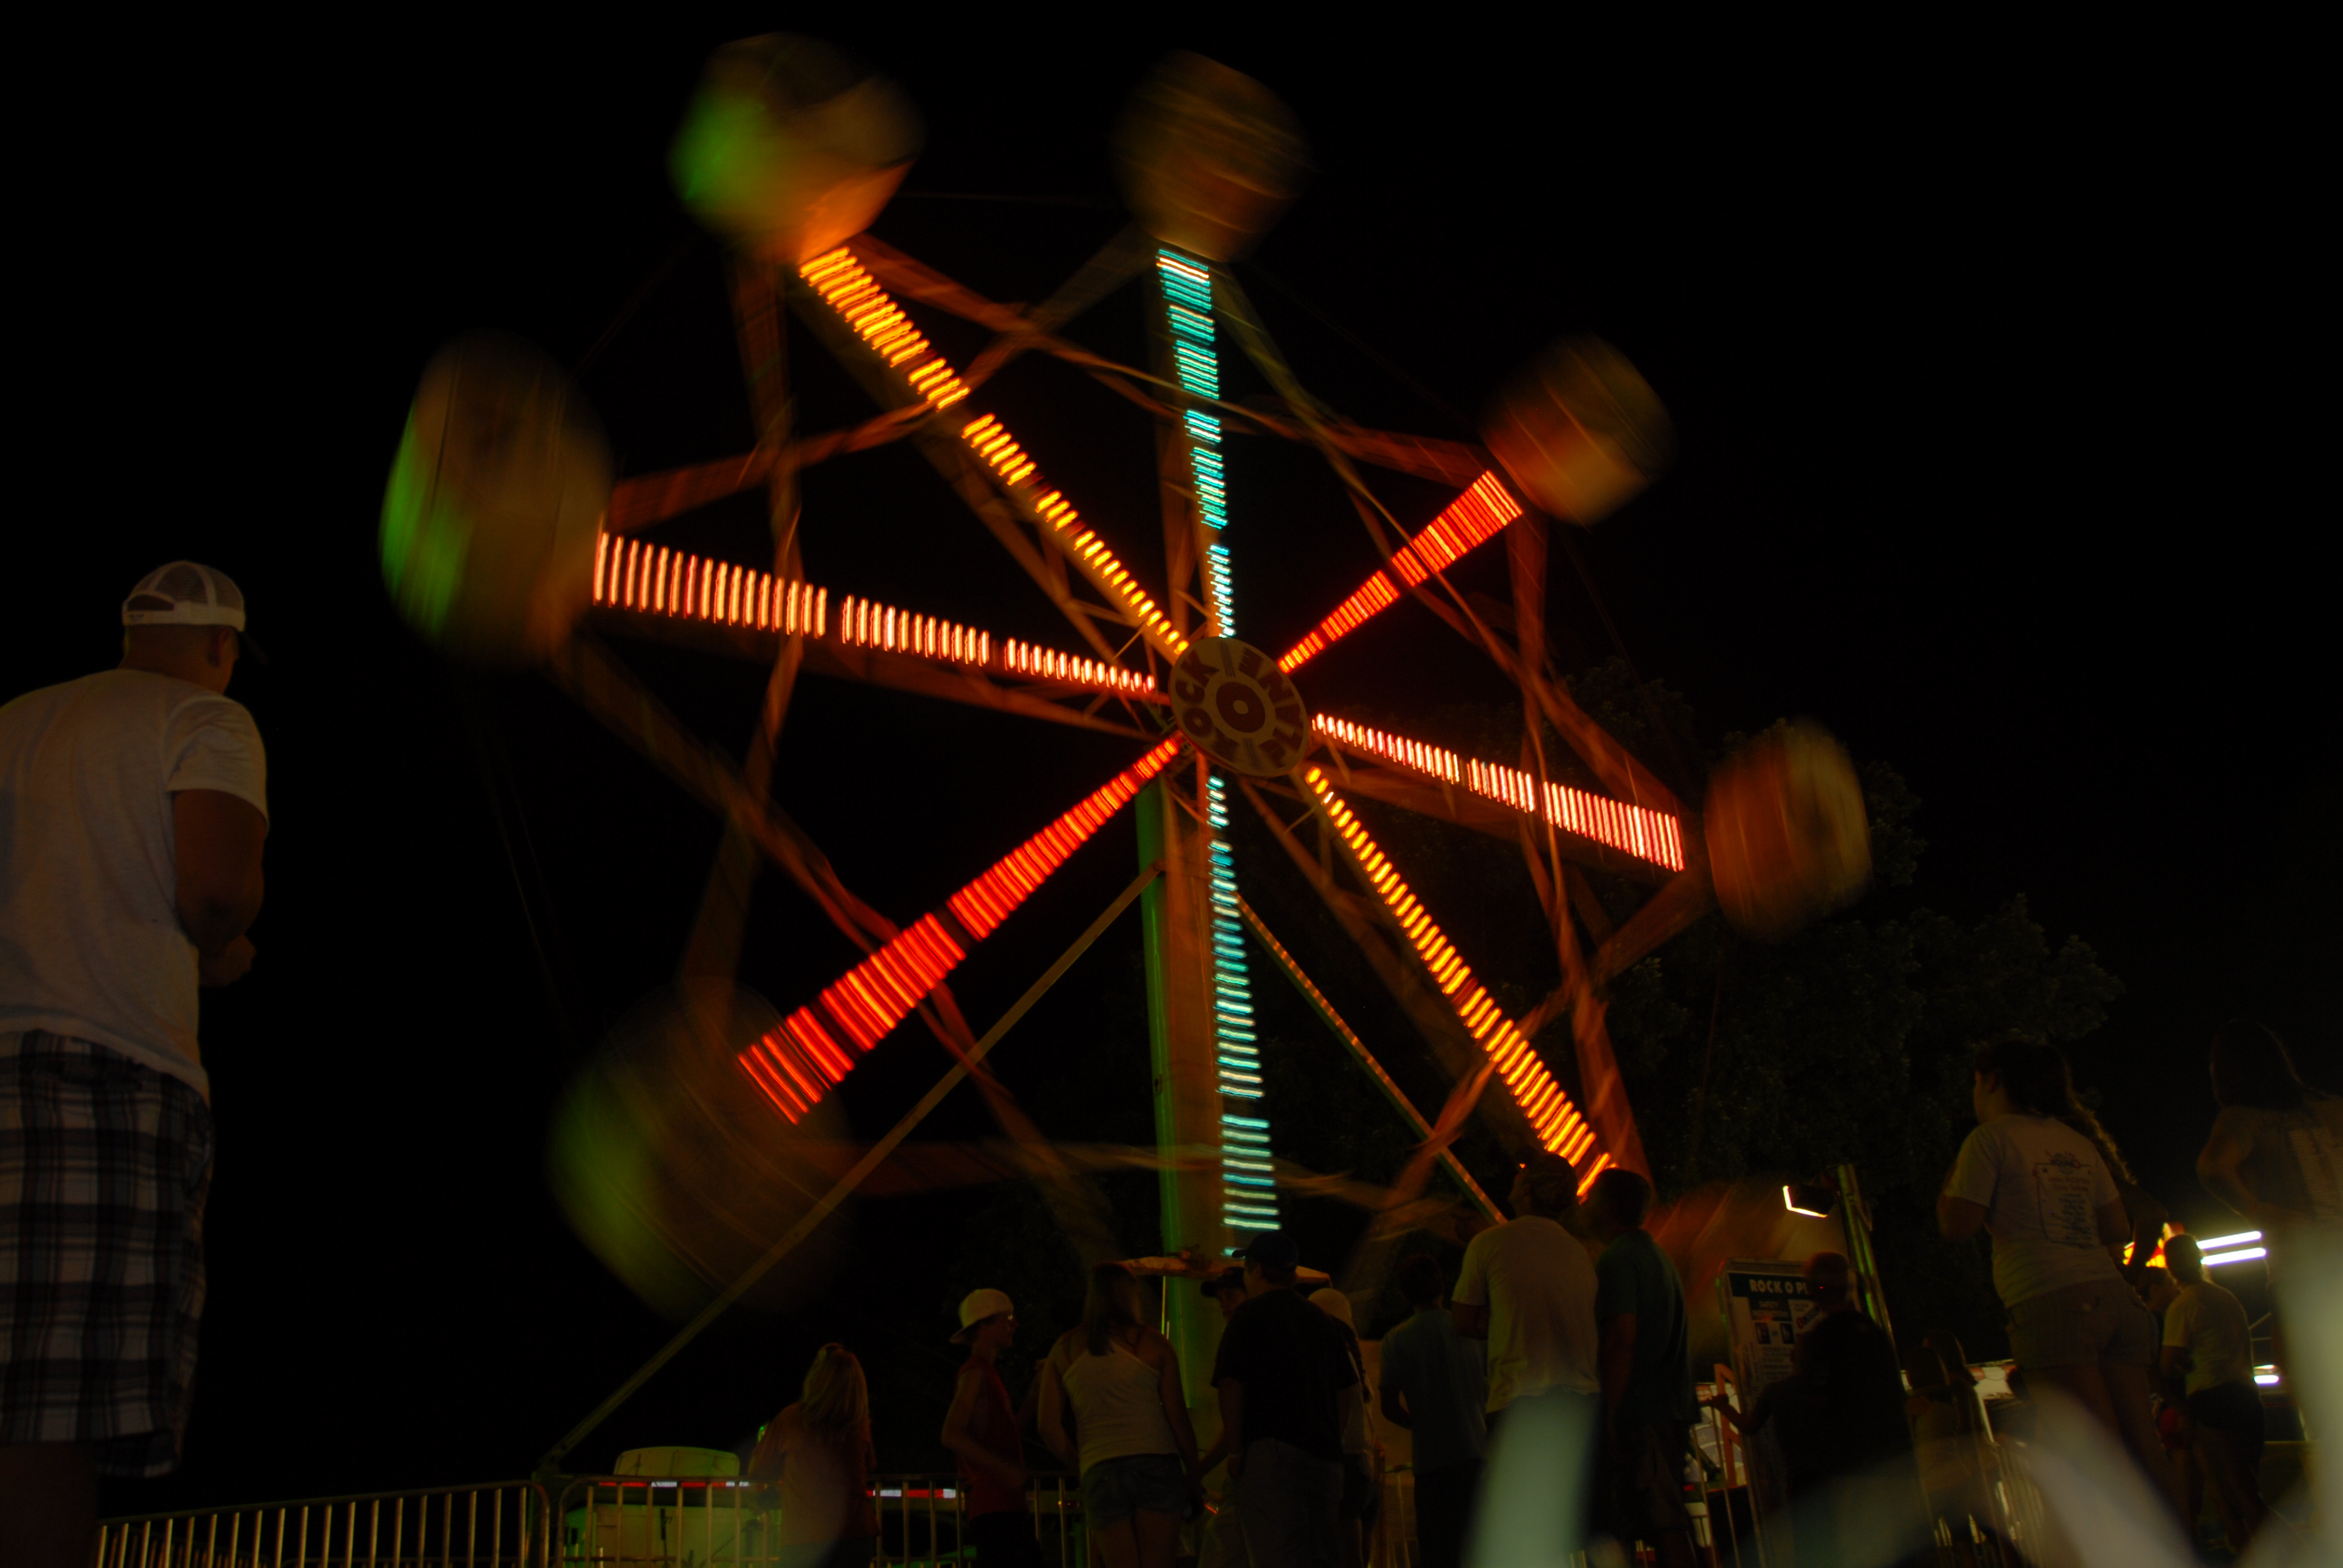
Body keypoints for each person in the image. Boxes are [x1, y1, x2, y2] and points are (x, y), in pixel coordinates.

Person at [1, 563, 270, 1568]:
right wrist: (226, 942)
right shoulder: (209, 723)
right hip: (108, 1076)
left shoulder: (17, 721)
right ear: (219, 645)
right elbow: (212, 889)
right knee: (54, 1414)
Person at [1938, 1039, 2174, 1511]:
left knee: (2093, 1457)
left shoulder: (1990, 1140)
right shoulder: (2077, 1142)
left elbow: (1956, 1226)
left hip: (2050, 1301)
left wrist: (1953, 1184)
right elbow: (2116, 1227)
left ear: (1990, 1080)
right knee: (2144, 1450)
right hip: (2114, 1302)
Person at [1210, 1232, 1358, 1568]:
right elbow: (1346, 1388)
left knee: (1275, 1555)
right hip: (1324, 1457)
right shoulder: (1321, 1320)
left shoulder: (1249, 1316)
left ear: (1257, 1270)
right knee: (1321, 1554)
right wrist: (1331, 1437)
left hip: (1270, 1455)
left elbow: (1231, 1385)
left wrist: (1235, 1452)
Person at [1038, 1263, 1200, 1568]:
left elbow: (1047, 1426)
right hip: (1156, 1460)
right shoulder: (1153, 1344)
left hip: (1100, 1467)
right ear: (1131, 1295)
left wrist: (1081, 1465)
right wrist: (1193, 1473)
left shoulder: (1065, 1348)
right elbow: (1178, 1419)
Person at [1587, 1168, 1699, 1568]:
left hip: (1644, 1412)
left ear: (1608, 1208)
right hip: (1672, 1407)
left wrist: (1614, 1414)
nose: (1585, 1205)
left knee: (1661, 1522)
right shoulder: (1659, 1258)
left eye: (1592, 1198)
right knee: (1667, 1518)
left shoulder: (1617, 1259)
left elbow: (1621, 1338)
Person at [1450, 1152, 1600, 1430]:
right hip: (1581, 1405)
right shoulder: (1580, 1254)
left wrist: (1502, 1321)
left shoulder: (1489, 1244)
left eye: (1522, 1173)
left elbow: (1462, 1321)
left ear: (1528, 1188)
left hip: (1519, 1404)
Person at [1795, 1253, 1921, 1561]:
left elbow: (1816, 1402)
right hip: (1896, 1463)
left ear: (1814, 1290)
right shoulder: (1876, 1334)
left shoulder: (1821, 1340)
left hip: (1854, 1468)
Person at [2158, 1235, 2270, 1555]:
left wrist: (2182, 1365)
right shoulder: (2226, 1297)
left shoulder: (2184, 1304)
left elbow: (2167, 1366)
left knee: (2236, 1493)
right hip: (2248, 1396)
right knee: (2248, 1486)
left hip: (2212, 1398)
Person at [1377, 1254, 1485, 1568]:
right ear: (1442, 1286)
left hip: (1432, 1464)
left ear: (1404, 1293)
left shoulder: (1396, 1340)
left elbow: (1388, 1406)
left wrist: (1421, 1423)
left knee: (1440, 1553)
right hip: (1477, 1455)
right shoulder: (1469, 1331)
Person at [2196, 1019, 2343, 1238]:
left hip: (2301, 1251)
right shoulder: (2333, 1108)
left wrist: (2253, 1209)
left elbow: (2213, 1168)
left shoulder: (2242, 1119)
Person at [747, 1344, 879, 1568]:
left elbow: (758, 1471)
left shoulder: (791, 1419)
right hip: (856, 1533)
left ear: (816, 1379)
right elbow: (870, 1465)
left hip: (805, 1538)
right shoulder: (860, 1423)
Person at [942, 1288, 1038, 1566]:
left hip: (1001, 1505)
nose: (1015, 1324)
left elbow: (1007, 1434)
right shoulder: (975, 1373)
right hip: (995, 1506)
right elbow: (951, 1433)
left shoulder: (986, 1373)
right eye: (1007, 1317)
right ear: (984, 1324)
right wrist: (1006, 1469)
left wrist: (1035, 1392)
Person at [1307, 1288, 1380, 1568]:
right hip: (1365, 1470)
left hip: (1345, 1469)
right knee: (1358, 1556)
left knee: (1347, 1558)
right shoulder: (1355, 1357)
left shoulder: (1332, 1356)